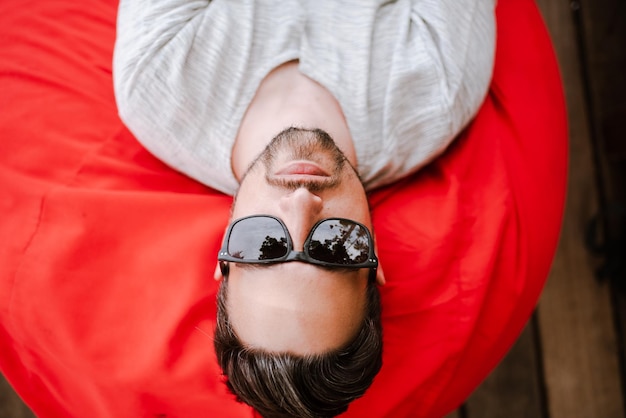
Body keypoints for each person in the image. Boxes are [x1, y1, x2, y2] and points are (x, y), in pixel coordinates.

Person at [113, 1, 496, 417]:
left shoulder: (154, 84)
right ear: (374, 260)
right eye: (333, 247)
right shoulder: (438, 90)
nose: (301, 202)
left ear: (225, 250)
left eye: (264, 245)